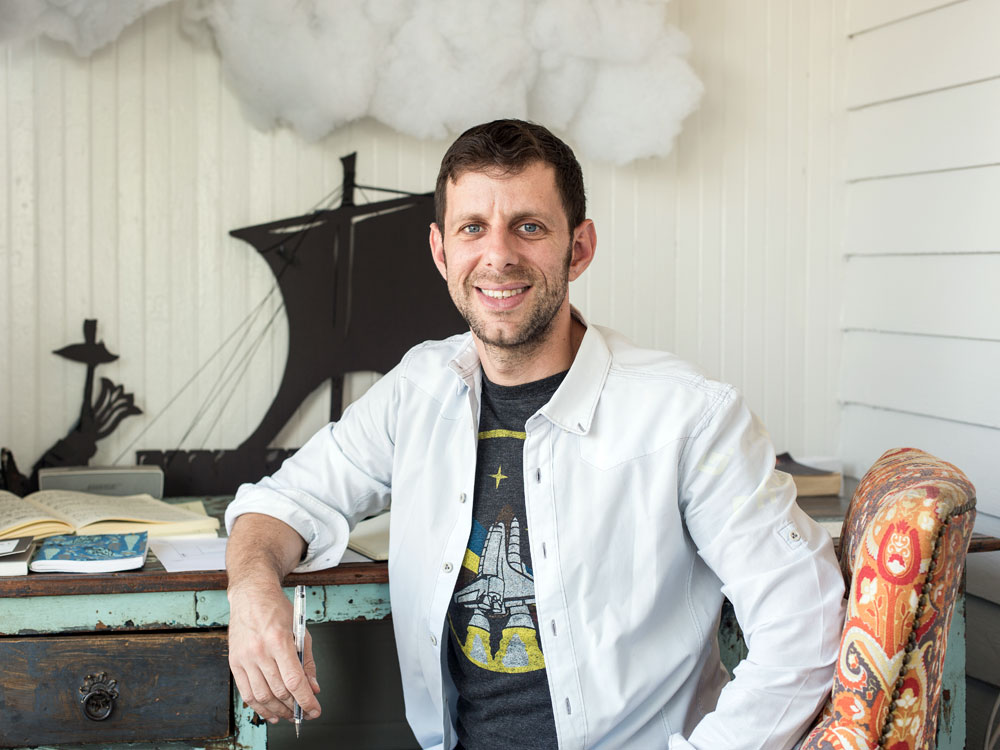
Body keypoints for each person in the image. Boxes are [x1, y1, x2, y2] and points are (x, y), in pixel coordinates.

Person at [224, 119, 846, 750]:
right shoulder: (418, 390)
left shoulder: (689, 417)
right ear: (441, 251)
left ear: (578, 248)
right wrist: (251, 592)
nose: (497, 256)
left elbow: (809, 622)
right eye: (473, 228)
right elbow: (282, 501)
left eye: (529, 226)